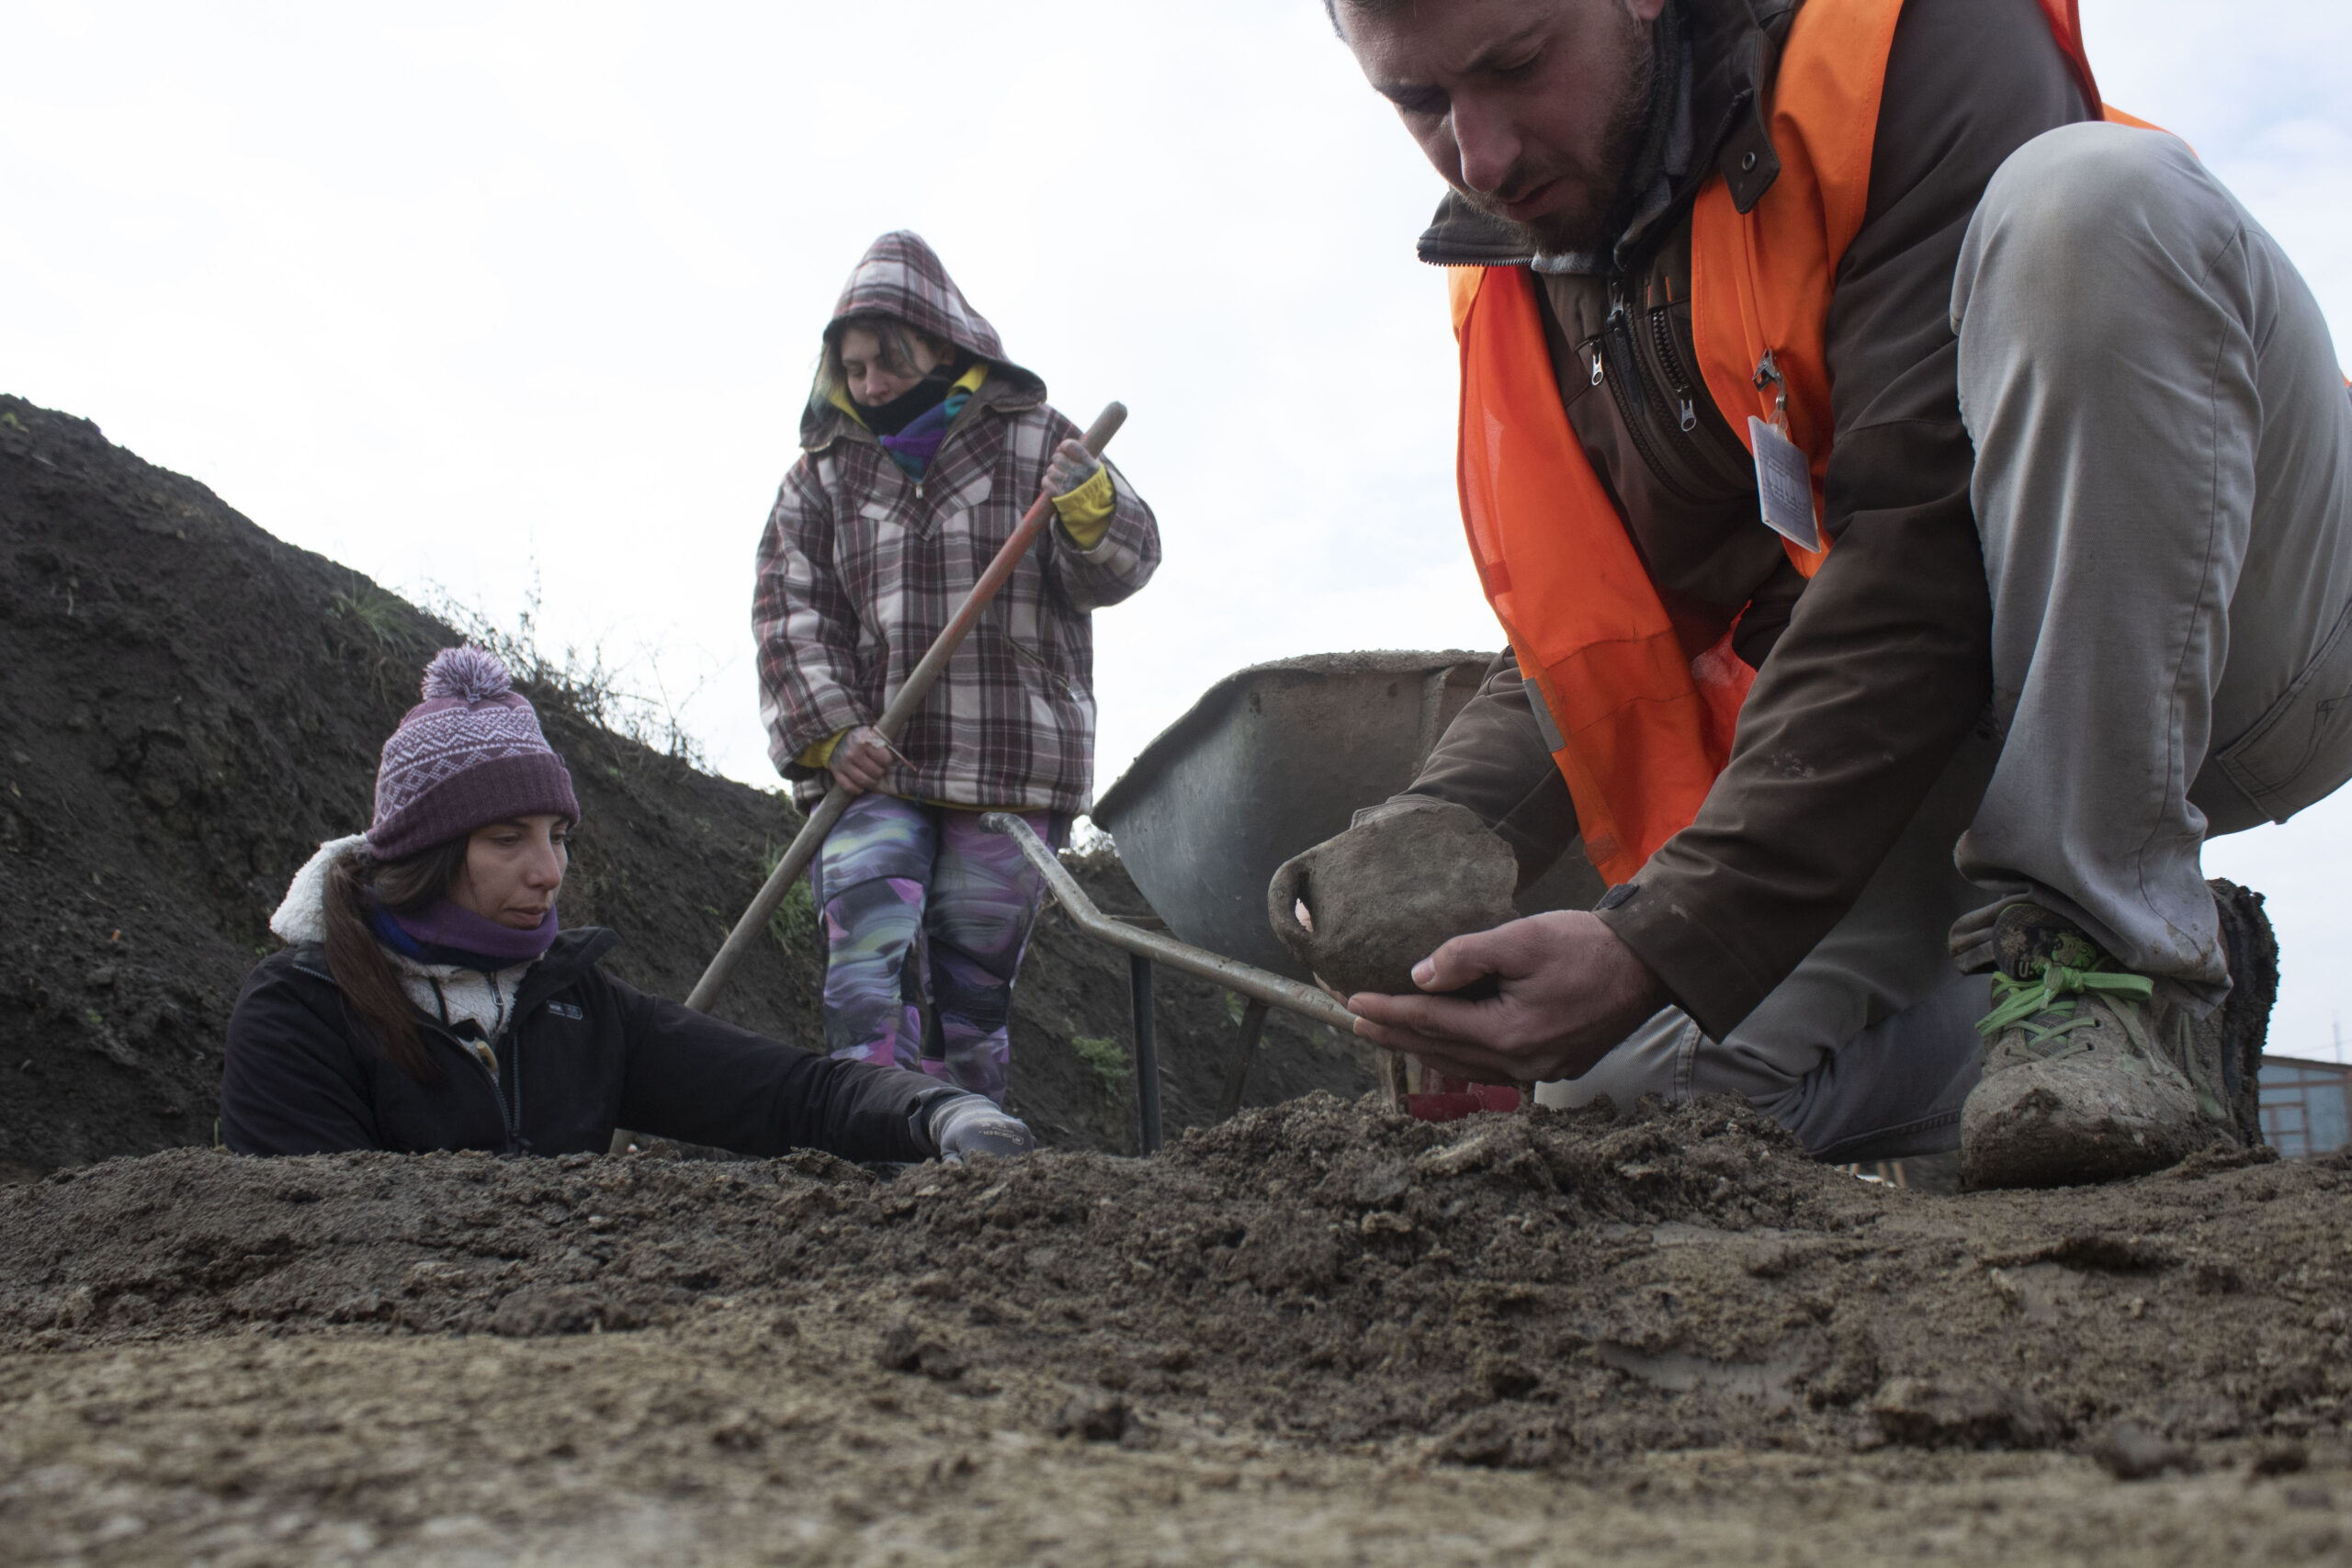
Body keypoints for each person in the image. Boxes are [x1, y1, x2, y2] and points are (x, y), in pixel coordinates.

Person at [1298, 0, 2346, 1188]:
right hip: (1974, 708)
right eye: (1421, 103)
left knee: (2093, 204)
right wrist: (1441, 827)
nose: (1479, 154)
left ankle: (2118, 954)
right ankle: (2110, 1023)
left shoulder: (1898, 37)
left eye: (1519, 65)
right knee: (1624, 1099)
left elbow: (1921, 542)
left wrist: (1660, 936)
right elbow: (1614, 616)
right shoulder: (1546, 263)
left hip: (2252, 607)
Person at [221, 645, 1032, 1163]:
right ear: (424, 853)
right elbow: (314, 1238)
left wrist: (939, 1109)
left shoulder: (576, 1007)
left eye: (558, 836)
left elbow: (794, 1093)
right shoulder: (303, 1012)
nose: (549, 872)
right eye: (508, 839)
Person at [754, 231, 1159, 1106]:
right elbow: (791, 611)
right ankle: (873, 1135)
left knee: (971, 997)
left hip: (1006, 762)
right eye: (853, 368)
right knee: (866, 961)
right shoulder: (819, 479)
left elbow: (1122, 568)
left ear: (943, 343)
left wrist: (1093, 503)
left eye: (885, 362)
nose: (868, 385)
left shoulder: (1038, 446)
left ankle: (963, 1164)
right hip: (876, 763)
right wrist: (829, 733)